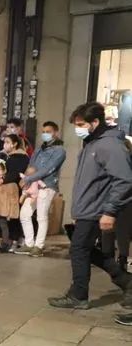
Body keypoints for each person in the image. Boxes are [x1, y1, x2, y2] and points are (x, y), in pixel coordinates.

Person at [49, 102, 132, 310]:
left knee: (78, 249)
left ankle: (79, 294)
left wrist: (109, 211)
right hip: (87, 208)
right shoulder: (92, 144)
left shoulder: (109, 145)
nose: (78, 129)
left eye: (81, 125)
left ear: (95, 122)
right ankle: (127, 282)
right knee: (85, 249)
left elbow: (124, 180)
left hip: (97, 209)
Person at [17, 121, 65, 257]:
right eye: (43, 132)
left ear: (56, 133)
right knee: (25, 214)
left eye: (48, 132)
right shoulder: (39, 149)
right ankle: (29, 243)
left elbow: (48, 169)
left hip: (47, 185)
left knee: (41, 216)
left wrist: (28, 179)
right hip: (32, 185)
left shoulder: (59, 151)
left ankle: (39, 246)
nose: (45, 134)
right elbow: (31, 165)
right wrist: (26, 178)